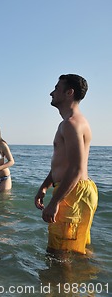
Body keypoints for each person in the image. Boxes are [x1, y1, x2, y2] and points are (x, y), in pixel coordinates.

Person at [34, 74, 98, 255]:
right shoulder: (72, 122)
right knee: (76, 250)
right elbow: (63, 163)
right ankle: (92, 279)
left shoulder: (71, 124)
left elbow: (76, 168)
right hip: (79, 190)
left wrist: (55, 202)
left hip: (73, 192)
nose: (51, 93)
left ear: (69, 92)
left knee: (58, 254)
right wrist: (45, 186)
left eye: (56, 88)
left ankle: (62, 283)